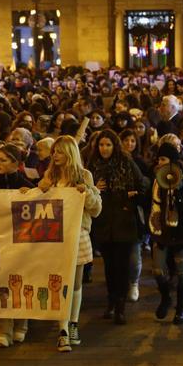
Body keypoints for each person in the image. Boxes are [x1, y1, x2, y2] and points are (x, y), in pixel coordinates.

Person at [39, 135, 101, 352]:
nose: (55, 155)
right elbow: (38, 198)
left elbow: (96, 209)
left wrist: (88, 193)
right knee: (59, 282)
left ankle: (72, 324)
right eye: (54, 151)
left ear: (70, 153)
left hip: (78, 233)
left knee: (75, 284)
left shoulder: (84, 176)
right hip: (56, 236)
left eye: (59, 151)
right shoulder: (50, 176)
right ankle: (62, 328)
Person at [89, 130, 149, 323]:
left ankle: (120, 306)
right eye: (101, 145)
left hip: (124, 221)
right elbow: (87, 192)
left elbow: (142, 186)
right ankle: (111, 301)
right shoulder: (93, 166)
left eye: (108, 144)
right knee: (109, 266)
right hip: (104, 222)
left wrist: (129, 199)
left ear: (114, 145)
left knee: (122, 266)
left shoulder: (126, 162)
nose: (104, 148)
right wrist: (94, 188)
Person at [0, 142, 36, 348]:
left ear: (16, 163)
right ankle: (3, 329)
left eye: (3, 160)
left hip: (22, 244)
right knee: (1, 283)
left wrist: (30, 195)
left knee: (22, 282)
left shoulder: (26, 185)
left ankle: (22, 324)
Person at [149, 142, 183, 327]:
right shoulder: (157, 180)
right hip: (161, 232)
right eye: (159, 159)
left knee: (181, 271)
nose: (159, 162)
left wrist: (176, 196)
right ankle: (166, 297)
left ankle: (181, 310)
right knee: (158, 270)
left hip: (182, 233)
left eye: (163, 159)